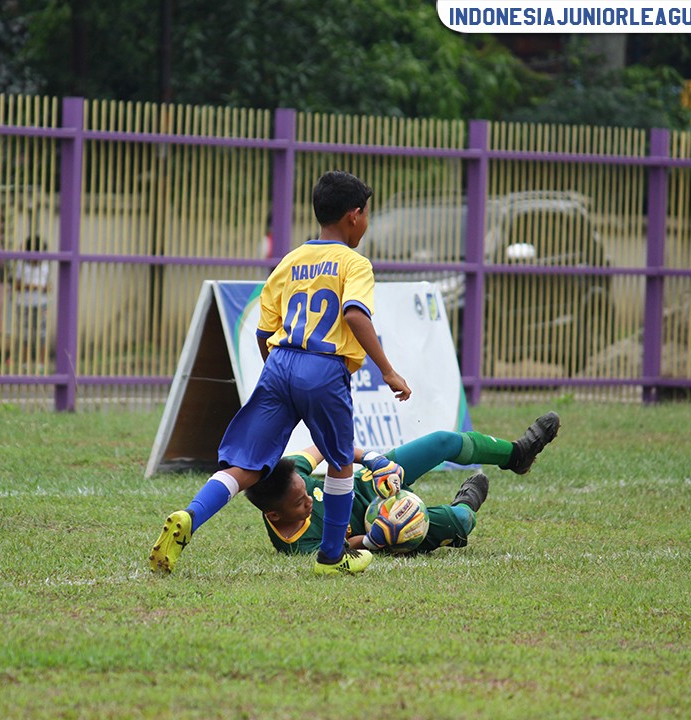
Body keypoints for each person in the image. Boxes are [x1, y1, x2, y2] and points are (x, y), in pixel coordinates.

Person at [149, 170, 412, 576]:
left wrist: (279, 373)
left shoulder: (290, 260)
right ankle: (332, 557)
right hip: (323, 367)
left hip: (280, 363)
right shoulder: (355, 263)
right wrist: (389, 371)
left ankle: (190, 517)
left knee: (248, 465)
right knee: (341, 461)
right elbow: (355, 315)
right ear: (354, 216)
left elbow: (263, 330)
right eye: (367, 214)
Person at [244, 412, 560, 556]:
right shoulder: (298, 545)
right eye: (300, 503)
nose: (308, 500)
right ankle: (465, 502)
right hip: (384, 521)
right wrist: (376, 539)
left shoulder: (288, 473)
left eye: (305, 491)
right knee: (461, 521)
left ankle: (516, 454)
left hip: (370, 482)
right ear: (274, 515)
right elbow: (346, 548)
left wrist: (374, 461)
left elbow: (330, 447)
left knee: (443, 441)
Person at [12, 235, 51, 371]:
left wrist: (45, 288)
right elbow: (16, 285)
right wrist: (31, 286)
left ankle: (41, 364)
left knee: (42, 334)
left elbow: (49, 285)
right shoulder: (21, 264)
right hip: (24, 304)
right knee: (25, 334)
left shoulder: (46, 265)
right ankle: (24, 363)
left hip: (42, 304)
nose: (38, 259)